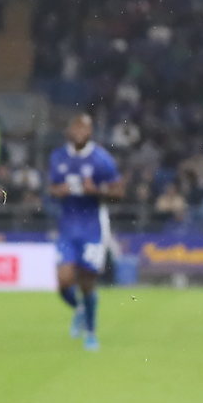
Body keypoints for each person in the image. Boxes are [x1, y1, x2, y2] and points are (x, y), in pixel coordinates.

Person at [47, 113, 124, 351]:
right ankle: (79, 309)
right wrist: (58, 191)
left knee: (87, 282)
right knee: (63, 281)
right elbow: (52, 188)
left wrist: (97, 190)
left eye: (85, 128)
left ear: (89, 132)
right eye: (76, 127)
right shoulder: (58, 157)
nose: (80, 132)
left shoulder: (101, 159)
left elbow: (119, 192)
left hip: (92, 226)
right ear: (70, 130)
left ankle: (91, 333)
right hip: (68, 226)